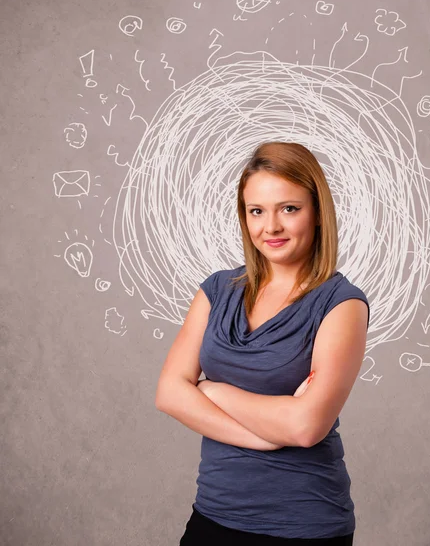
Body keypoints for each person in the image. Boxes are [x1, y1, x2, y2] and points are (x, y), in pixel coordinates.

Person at [156, 141, 370, 545]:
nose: (270, 227)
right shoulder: (218, 289)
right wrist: (265, 436)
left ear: (318, 212)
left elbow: (306, 428)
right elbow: (168, 393)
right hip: (213, 514)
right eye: (257, 211)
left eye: (288, 208)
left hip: (304, 525)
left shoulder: (341, 305)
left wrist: (210, 389)